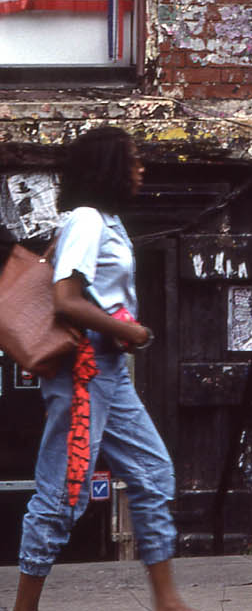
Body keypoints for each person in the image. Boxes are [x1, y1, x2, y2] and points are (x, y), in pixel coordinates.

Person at [14, 126, 195, 611]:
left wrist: (120, 330)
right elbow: (66, 300)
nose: (141, 169)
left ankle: (167, 601)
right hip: (84, 370)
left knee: (152, 473)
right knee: (64, 494)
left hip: (108, 370)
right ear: (109, 168)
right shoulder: (87, 220)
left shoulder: (105, 221)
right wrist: (133, 332)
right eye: (133, 160)